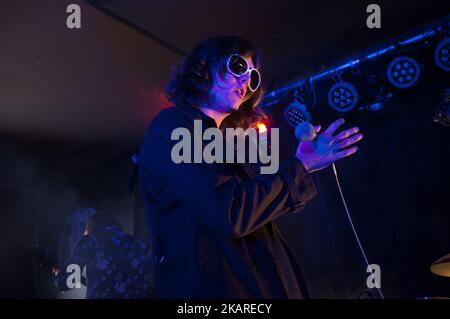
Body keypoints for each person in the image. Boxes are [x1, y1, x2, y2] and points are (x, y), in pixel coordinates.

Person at [138, 35, 363, 298]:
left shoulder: (234, 144)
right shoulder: (171, 127)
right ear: (204, 67)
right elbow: (230, 213)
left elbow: (255, 209)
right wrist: (300, 166)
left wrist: (304, 165)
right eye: (238, 67)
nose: (246, 81)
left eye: (253, 77)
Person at [53, 212, 152, 299]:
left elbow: (70, 282)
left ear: (91, 227)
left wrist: (58, 276)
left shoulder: (89, 241)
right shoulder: (140, 245)